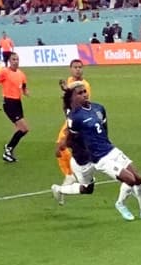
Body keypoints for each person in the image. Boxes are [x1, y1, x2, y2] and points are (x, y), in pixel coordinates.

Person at [54, 84, 141, 220]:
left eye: (85, 91)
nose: (84, 94)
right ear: (73, 98)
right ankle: (120, 204)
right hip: (97, 158)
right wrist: (62, 146)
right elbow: (72, 137)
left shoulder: (98, 108)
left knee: (138, 178)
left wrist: (105, 144)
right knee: (96, 186)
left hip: (110, 149)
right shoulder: (74, 117)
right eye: (80, 93)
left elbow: (104, 130)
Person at [53, 59, 89, 189]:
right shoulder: (69, 81)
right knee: (72, 147)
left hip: (77, 120)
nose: (78, 69)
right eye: (75, 67)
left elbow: (83, 103)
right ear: (71, 69)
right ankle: (76, 174)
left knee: (61, 145)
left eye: (80, 67)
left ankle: (71, 175)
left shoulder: (84, 85)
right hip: (70, 119)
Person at [0, 51, 29, 163]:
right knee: (24, 129)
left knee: (18, 129)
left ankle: (8, 152)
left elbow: (24, 85)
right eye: (13, 59)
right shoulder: (4, 72)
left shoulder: (21, 73)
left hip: (18, 103)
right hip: (9, 103)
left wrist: (25, 91)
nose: (16, 62)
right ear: (9, 61)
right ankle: (8, 148)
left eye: (17, 59)